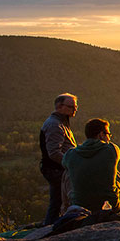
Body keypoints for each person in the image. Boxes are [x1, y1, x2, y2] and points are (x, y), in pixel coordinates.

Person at [62, 118, 120, 212]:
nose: (109, 138)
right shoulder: (112, 150)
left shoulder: (70, 154)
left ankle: (65, 208)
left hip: (80, 205)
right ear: (101, 134)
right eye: (108, 134)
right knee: (116, 173)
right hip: (109, 205)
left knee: (67, 173)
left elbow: (64, 164)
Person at [39, 93, 78, 225]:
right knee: (58, 201)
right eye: (71, 107)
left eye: (76, 107)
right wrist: (70, 164)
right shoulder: (54, 125)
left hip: (57, 168)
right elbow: (54, 152)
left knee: (58, 201)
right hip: (56, 169)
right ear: (59, 107)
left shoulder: (61, 122)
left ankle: (51, 225)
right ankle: (51, 227)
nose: (75, 109)